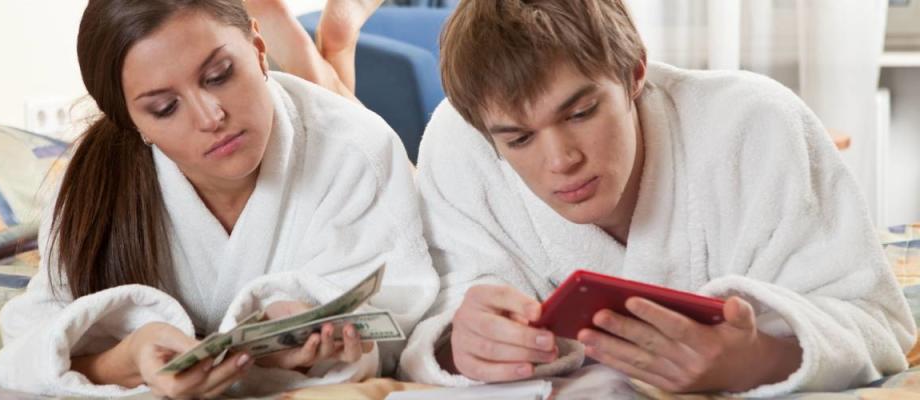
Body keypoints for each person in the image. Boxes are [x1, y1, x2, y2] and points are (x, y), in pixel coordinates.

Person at [392, 0, 917, 397]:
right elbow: (429, 323)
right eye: (519, 139)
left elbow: (878, 323)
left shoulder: (757, 125)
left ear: (635, 71)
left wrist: (754, 360)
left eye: (580, 113)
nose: (560, 160)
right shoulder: (460, 143)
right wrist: (460, 347)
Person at [0, 0, 437, 398]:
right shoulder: (93, 183)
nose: (210, 116)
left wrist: (297, 357)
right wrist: (127, 359)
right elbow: (27, 350)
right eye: (164, 108)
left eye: (220, 75)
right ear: (134, 122)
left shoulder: (357, 149)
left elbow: (405, 316)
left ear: (258, 50)